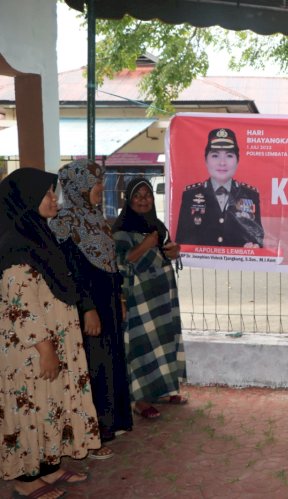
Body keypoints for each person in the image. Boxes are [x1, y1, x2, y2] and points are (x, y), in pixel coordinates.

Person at [0, 168, 100, 499]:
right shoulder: (14, 246)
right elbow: (20, 306)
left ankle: (48, 464)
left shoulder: (38, 237)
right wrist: (45, 348)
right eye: (46, 194)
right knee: (31, 406)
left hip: (49, 342)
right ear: (26, 199)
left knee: (48, 404)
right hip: (31, 347)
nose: (53, 198)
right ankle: (25, 478)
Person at [48, 160, 133, 459]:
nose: (101, 188)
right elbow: (71, 271)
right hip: (89, 302)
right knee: (93, 361)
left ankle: (109, 422)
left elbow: (111, 265)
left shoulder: (94, 218)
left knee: (109, 357)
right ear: (78, 186)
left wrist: (119, 300)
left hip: (107, 298)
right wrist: (88, 308)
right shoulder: (64, 221)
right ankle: (93, 431)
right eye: (95, 183)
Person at [113, 178, 186, 420]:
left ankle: (165, 390)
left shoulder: (157, 224)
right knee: (142, 343)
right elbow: (120, 262)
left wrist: (173, 251)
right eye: (138, 195)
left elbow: (165, 251)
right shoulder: (120, 230)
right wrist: (145, 245)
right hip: (138, 297)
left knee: (163, 340)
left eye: (147, 195)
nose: (143, 200)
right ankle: (141, 400)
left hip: (162, 296)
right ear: (128, 199)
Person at [176, 127, 264, 248]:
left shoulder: (250, 195)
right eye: (215, 155)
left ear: (237, 160)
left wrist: (255, 246)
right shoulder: (190, 194)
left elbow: (257, 236)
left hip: (236, 265)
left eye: (229, 155)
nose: (222, 163)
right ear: (205, 160)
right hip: (202, 265)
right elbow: (182, 238)